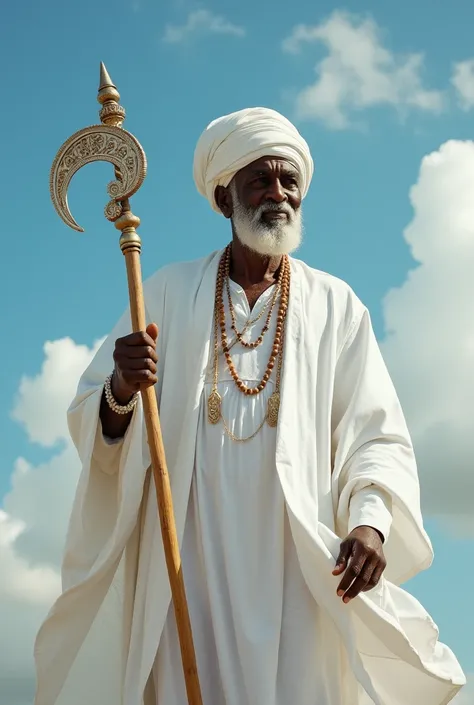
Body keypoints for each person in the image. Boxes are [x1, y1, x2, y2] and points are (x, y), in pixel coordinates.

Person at [34, 107, 465, 705]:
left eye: (288, 181)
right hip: (191, 561)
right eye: (259, 180)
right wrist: (122, 388)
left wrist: (370, 522)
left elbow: (377, 436)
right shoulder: (163, 291)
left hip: (296, 566)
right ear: (223, 195)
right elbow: (94, 417)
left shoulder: (336, 306)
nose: (278, 194)